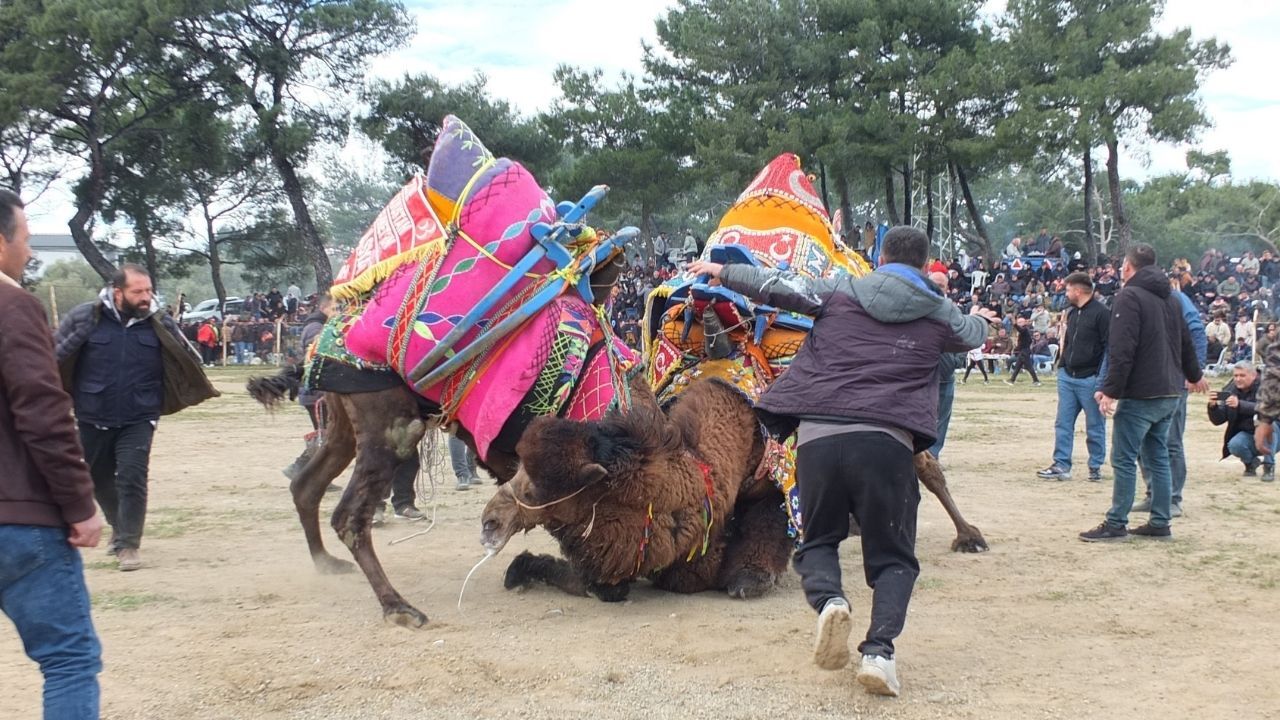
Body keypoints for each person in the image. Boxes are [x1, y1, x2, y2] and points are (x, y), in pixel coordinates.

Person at [690, 226, 993, 697]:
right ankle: (878, 653)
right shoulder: (938, 309)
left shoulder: (842, 289)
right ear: (924, 261)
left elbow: (778, 285)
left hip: (818, 438)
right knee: (893, 558)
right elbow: (972, 335)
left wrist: (722, 270)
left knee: (819, 541)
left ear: (880, 256)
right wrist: (979, 316)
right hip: (887, 442)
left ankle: (831, 601)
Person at [0, 189, 105, 717]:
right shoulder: (12, 304)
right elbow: (42, 415)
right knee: (68, 660)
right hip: (18, 518)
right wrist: (80, 505)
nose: (29, 250)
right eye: (23, 237)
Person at [55, 263, 218, 570]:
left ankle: (129, 544)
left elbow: (186, 357)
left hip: (140, 414)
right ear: (118, 293)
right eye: (137, 291)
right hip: (92, 411)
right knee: (97, 476)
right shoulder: (85, 317)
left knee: (132, 475)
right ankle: (119, 526)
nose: (146, 297)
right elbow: (55, 356)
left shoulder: (158, 322)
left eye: (148, 290)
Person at [1079, 244, 1207, 543]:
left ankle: (1116, 523)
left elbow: (1123, 348)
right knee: (1158, 456)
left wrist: (1109, 390)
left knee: (1123, 458)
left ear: (1127, 267)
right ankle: (1160, 521)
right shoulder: (1173, 298)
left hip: (1143, 392)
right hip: (1170, 391)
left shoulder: (1129, 296)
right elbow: (1186, 342)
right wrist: (1194, 375)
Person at [1133, 275, 1207, 517]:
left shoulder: (1175, 298)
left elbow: (1196, 330)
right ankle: (1153, 493)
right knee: (1143, 441)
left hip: (1174, 382)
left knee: (1171, 441)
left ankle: (1173, 498)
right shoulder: (1136, 299)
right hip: (1146, 384)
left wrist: (1193, 371)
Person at [1038, 272, 1110, 482]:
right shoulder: (1071, 313)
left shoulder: (1102, 313)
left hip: (1090, 378)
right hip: (1068, 375)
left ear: (1078, 291)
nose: (1065, 292)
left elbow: (1108, 347)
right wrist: (1063, 364)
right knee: (1063, 422)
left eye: (1068, 289)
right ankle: (1061, 464)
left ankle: (1095, 466)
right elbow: (1067, 341)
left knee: (1095, 426)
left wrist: (1102, 379)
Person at [283, 294, 334, 482]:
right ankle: (300, 469)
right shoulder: (316, 328)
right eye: (334, 309)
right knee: (327, 436)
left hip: (315, 391)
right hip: (316, 392)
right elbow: (318, 357)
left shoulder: (317, 326)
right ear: (324, 308)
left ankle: (312, 474)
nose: (337, 313)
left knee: (326, 435)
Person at [1208, 362, 1274, 481]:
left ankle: (1269, 467)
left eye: (1242, 376)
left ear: (1254, 375)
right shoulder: (1230, 390)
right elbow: (1219, 420)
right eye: (1235, 376)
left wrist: (1240, 405)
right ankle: (1251, 464)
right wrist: (1213, 407)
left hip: (1273, 434)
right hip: (1248, 433)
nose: (1238, 379)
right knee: (1235, 444)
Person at [928, 271, 965, 460]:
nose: (936, 287)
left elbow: (964, 337)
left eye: (941, 285)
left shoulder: (954, 311)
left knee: (941, 420)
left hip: (945, 378)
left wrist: (956, 361)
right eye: (933, 283)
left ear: (947, 288)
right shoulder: (919, 308)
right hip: (923, 378)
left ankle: (933, 455)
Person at [1004, 317, 1041, 386]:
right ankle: (1012, 380)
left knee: (1029, 367)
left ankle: (1036, 381)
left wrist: (1014, 324)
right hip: (1022, 351)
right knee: (1018, 366)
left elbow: (1020, 330)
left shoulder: (1025, 330)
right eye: (1018, 322)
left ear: (1024, 322)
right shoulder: (1024, 330)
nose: (1019, 324)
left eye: (1020, 322)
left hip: (1025, 351)